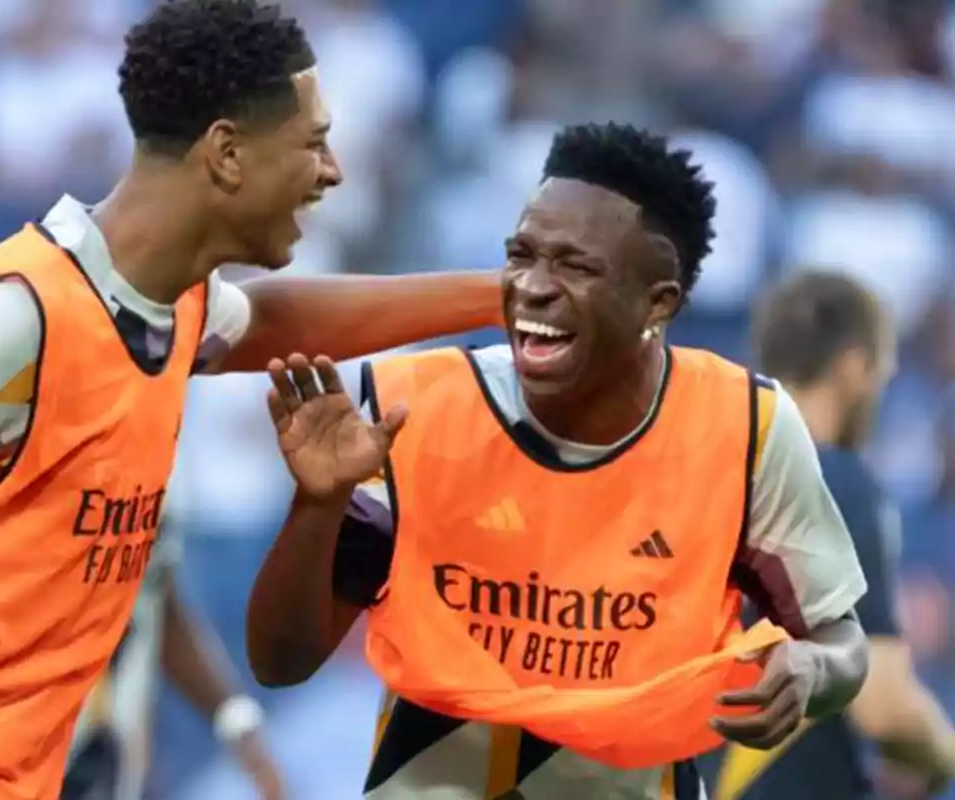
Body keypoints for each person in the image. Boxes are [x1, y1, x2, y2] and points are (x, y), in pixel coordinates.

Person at [0, 2, 504, 799]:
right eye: (313, 143)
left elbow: (276, 317)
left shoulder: (168, 309)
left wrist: (496, 297)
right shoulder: (22, 323)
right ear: (226, 153)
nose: (333, 171)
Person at [246, 122, 871, 799]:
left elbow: (844, 645)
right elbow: (280, 663)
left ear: (657, 303)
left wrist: (811, 671)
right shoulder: (415, 408)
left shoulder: (745, 426)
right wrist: (317, 506)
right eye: (522, 255)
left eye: (575, 266)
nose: (532, 288)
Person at [698, 271, 955, 800]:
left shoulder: (704, 471)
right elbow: (882, 704)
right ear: (854, 366)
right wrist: (943, 754)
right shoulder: (836, 481)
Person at [62, 528, 282, 800]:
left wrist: (235, 719)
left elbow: (156, 595)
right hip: (34, 763)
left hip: (107, 766)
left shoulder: (155, 496)